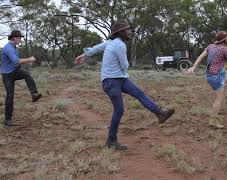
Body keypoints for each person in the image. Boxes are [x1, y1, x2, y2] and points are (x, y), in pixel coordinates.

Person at [74, 20, 175, 150]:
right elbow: (125, 66)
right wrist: (123, 62)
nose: (130, 33)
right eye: (128, 30)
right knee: (119, 109)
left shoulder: (111, 42)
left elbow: (97, 47)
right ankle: (111, 140)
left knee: (139, 93)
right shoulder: (119, 45)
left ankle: (160, 113)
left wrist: (84, 54)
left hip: (119, 79)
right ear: (121, 32)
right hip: (111, 81)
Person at [0, 30, 42, 126]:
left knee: (26, 73)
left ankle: (34, 94)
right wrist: (29, 59)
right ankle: (7, 119)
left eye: (20, 38)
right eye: (19, 38)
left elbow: (16, 64)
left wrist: (21, 68)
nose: (20, 40)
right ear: (13, 38)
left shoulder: (15, 47)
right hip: (7, 75)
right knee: (10, 95)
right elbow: (16, 61)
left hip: (14, 71)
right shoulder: (8, 48)